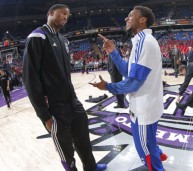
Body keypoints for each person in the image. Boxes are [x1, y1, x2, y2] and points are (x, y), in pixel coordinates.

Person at [22, 4, 107, 171]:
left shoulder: (63, 40)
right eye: (62, 13)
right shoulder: (37, 37)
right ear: (50, 13)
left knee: (83, 137)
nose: (65, 17)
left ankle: (91, 167)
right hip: (54, 106)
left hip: (72, 100)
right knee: (65, 147)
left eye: (67, 15)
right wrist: (44, 115)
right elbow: (30, 79)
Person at [91, 6, 167, 171]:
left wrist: (108, 86)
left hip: (142, 109)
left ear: (142, 20)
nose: (126, 18)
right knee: (150, 143)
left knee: (144, 151)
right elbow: (129, 72)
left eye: (130, 15)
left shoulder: (144, 42)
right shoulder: (143, 41)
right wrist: (114, 53)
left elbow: (133, 83)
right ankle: (158, 157)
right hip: (149, 105)